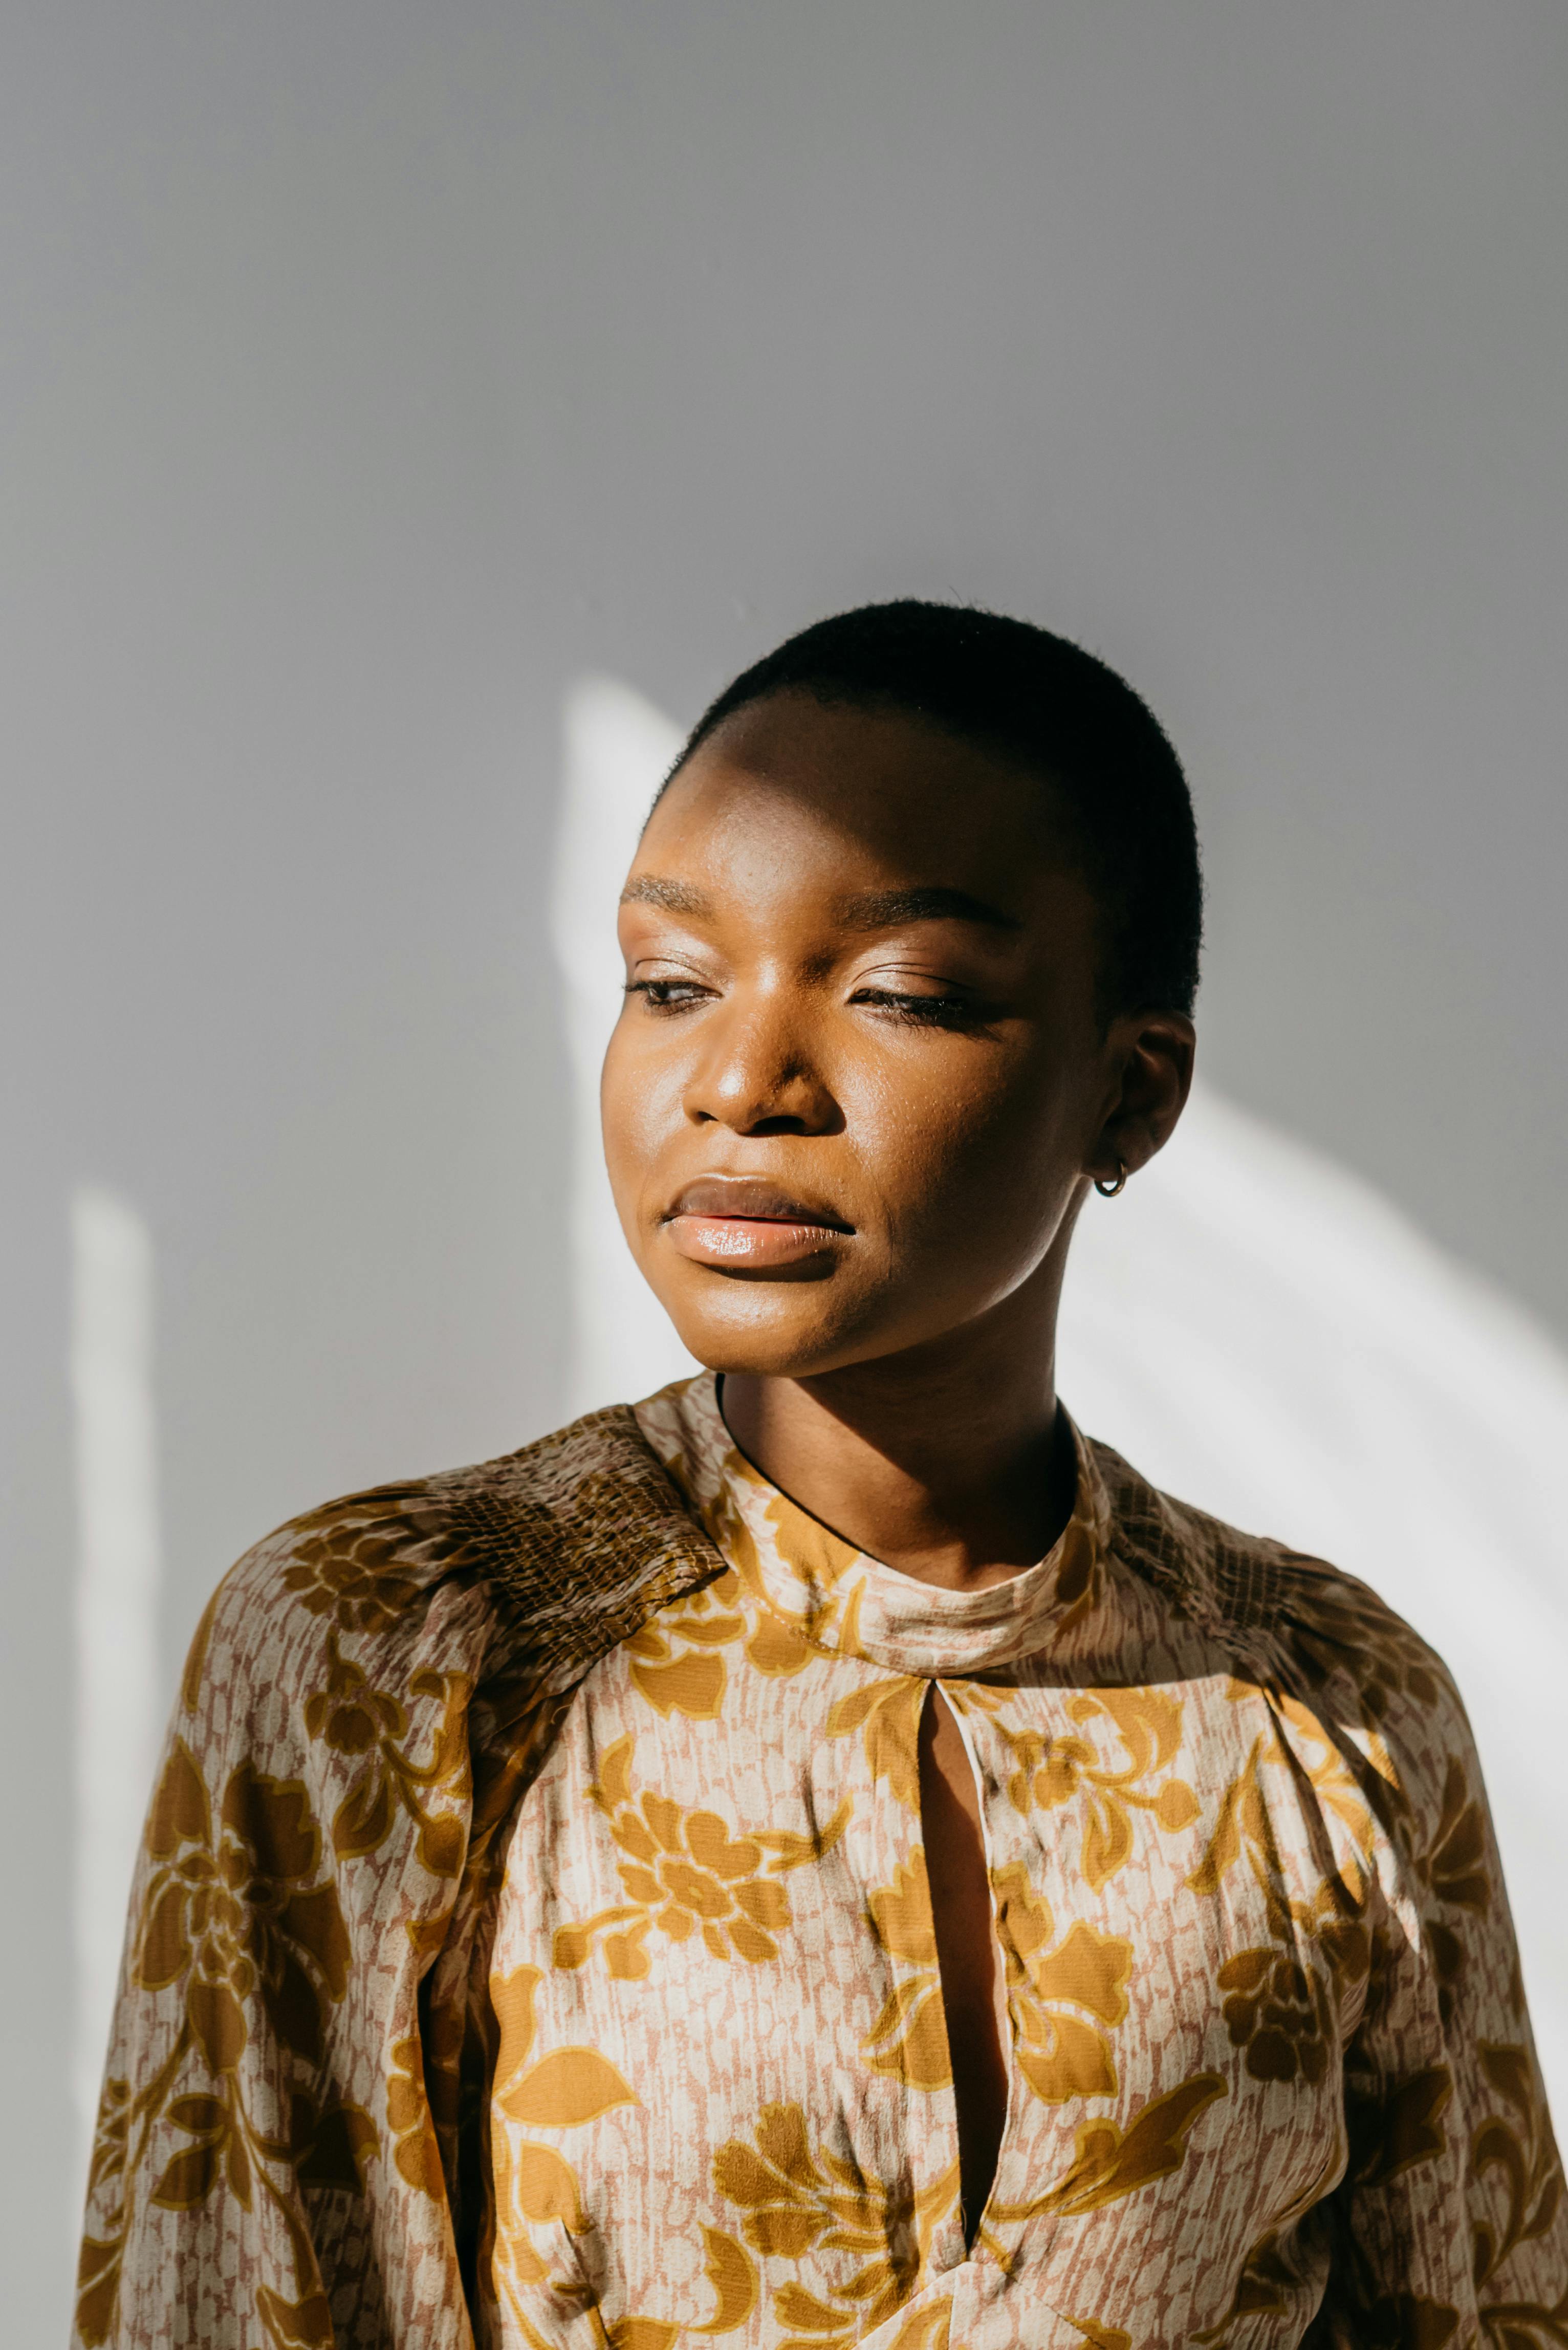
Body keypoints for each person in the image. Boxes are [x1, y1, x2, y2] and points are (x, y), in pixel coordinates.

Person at [77, 602, 1565, 2349]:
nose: (739, 1082)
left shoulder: (1334, 1708)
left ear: (1132, 1094)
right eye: (671, 983)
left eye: (901, 994)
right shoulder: (390, 1651)